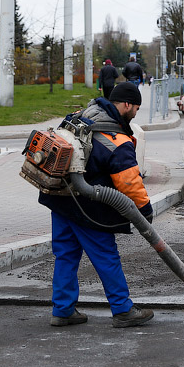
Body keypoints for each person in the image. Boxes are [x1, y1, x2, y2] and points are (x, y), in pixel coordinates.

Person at [38, 81, 155, 328]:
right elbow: (129, 183)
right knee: (105, 256)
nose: (136, 114)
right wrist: (145, 211)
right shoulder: (117, 140)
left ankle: (63, 310)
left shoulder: (81, 115)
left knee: (65, 254)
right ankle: (123, 310)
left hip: (60, 198)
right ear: (127, 105)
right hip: (87, 207)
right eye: (136, 108)